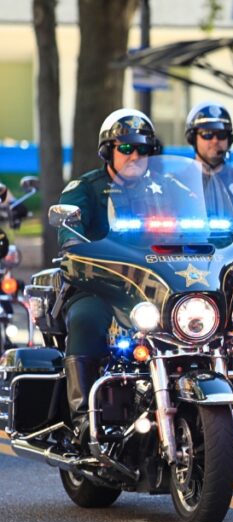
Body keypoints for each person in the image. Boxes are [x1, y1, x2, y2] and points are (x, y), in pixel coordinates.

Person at [56, 108, 164, 442]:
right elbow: (69, 240)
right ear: (108, 150)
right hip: (100, 288)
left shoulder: (166, 189)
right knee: (86, 318)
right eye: (126, 148)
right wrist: (74, 241)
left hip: (157, 289)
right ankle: (84, 418)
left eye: (143, 149)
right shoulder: (85, 189)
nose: (135, 155)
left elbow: (200, 225)